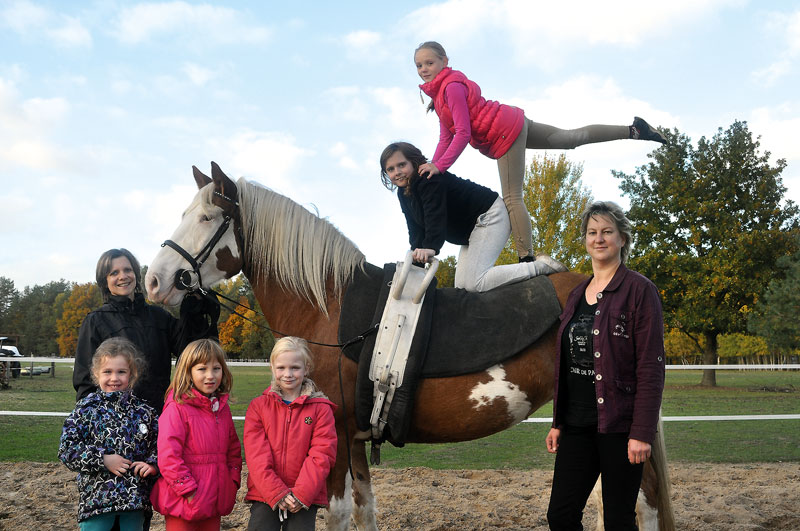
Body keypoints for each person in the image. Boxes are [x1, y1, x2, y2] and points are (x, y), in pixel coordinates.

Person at [414, 41, 667, 263]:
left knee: (512, 198)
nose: (424, 69)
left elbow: (463, 133)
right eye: (419, 66)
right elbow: (446, 135)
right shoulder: (440, 96)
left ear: (444, 61)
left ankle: (526, 257)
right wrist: (433, 164)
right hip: (512, 121)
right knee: (570, 138)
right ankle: (635, 130)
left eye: (429, 63)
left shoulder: (451, 88)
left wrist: (440, 166)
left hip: (503, 132)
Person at [544, 201, 665, 530]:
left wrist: (641, 432)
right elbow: (566, 366)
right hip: (576, 427)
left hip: (620, 428)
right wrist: (558, 422)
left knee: (618, 519)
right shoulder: (576, 295)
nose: (599, 238)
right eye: (592, 232)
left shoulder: (640, 290)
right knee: (560, 515)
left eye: (607, 232)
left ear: (622, 239)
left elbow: (651, 368)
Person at [380, 141, 567, 292]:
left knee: (475, 283)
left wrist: (430, 248)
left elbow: (434, 215)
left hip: (489, 215)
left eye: (401, 165)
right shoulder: (403, 193)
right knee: (463, 289)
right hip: (471, 232)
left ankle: (541, 267)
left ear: (413, 161)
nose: (397, 172)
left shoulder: (428, 179)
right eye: (390, 169)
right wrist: (415, 262)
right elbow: (414, 227)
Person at [73, 248, 219, 413]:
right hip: (117, 426)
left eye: (127, 270)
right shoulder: (95, 321)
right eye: (114, 273)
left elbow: (189, 349)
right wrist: (98, 422)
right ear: (105, 281)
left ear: (135, 273)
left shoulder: (159, 316)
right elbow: (85, 381)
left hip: (160, 419)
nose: (123, 276)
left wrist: (196, 305)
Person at [59, 337, 159, 531]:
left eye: (121, 371)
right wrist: (103, 459)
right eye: (107, 372)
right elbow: (67, 450)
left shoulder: (145, 412)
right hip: (97, 505)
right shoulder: (85, 410)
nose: (114, 378)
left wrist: (152, 464)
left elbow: (159, 445)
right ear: (96, 374)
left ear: (132, 374)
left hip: (134, 502)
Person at [243, 336, 337, 531]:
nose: (288, 374)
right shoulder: (258, 407)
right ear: (272, 367)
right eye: (281, 368)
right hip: (265, 494)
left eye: (295, 367)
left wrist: (301, 494)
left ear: (307, 368)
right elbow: (256, 456)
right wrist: (276, 492)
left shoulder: (321, 408)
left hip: (303, 497)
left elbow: (322, 454)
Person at [150, 339, 241, 531]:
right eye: (202, 369)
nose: (210, 376)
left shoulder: (222, 409)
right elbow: (168, 456)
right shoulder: (177, 408)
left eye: (216, 368)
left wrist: (231, 481)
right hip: (184, 501)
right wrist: (188, 490)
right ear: (188, 372)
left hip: (215, 499)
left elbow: (233, 450)